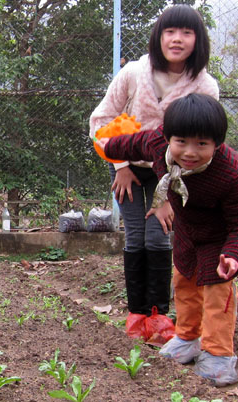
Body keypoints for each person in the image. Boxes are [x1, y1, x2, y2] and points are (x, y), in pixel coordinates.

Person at [99, 93, 238, 386]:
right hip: (187, 231)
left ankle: (218, 354)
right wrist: (109, 146)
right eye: (182, 142)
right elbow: (134, 142)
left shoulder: (230, 172)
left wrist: (235, 254)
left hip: (219, 238)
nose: (190, 152)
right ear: (168, 136)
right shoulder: (158, 143)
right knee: (185, 282)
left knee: (217, 296)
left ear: (217, 143)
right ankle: (188, 338)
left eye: (202, 144)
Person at [89, 5, 219, 330]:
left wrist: (165, 197)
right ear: (158, 37)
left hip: (173, 173)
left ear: (197, 40)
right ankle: (136, 316)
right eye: (169, 32)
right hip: (128, 165)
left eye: (186, 33)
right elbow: (100, 120)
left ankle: (158, 317)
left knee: (159, 238)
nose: (177, 40)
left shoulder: (205, 86)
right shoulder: (134, 72)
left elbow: (202, 144)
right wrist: (119, 166)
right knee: (135, 236)